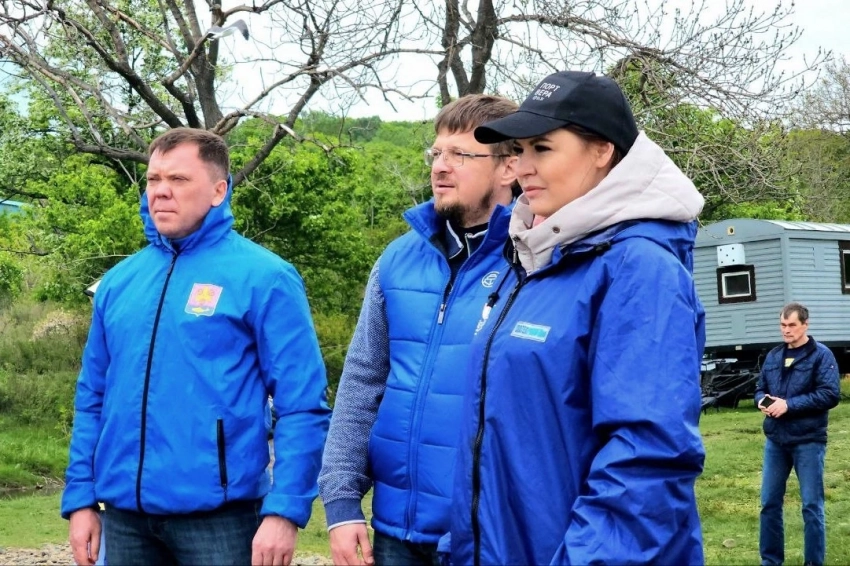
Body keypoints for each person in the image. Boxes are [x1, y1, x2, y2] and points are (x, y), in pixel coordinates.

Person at [448, 70, 707, 565]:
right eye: (519, 149)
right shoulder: (532, 258)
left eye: (543, 148)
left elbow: (646, 462)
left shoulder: (639, 268)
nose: (523, 167)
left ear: (602, 150)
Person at [61, 128, 330, 566]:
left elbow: (301, 405)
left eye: (179, 179)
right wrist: (81, 499)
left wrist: (285, 510)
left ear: (218, 191)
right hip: (125, 523)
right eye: (153, 179)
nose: (161, 191)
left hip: (222, 524)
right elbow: (92, 396)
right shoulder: (119, 282)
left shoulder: (266, 278)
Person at [318, 94, 519, 566]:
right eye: (436, 152)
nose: (440, 167)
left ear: (509, 167)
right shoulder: (397, 259)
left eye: (460, 154)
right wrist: (341, 502)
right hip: (396, 533)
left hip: (489, 534)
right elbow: (362, 380)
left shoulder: (534, 260)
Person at [756, 302, 840, 566]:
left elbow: (830, 394)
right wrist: (762, 402)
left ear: (805, 324)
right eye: (783, 325)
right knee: (769, 503)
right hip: (776, 441)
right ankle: (771, 562)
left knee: (811, 506)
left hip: (808, 440)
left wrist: (789, 405)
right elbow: (759, 388)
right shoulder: (773, 356)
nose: (786, 330)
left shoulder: (822, 356)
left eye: (792, 325)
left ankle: (813, 562)